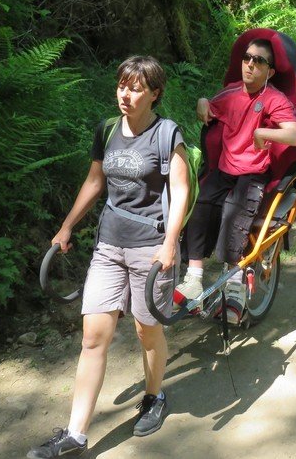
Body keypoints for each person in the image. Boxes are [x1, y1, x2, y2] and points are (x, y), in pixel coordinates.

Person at [28, 56, 189, 458]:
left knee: (146, 332)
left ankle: (154, 396)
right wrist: (67, 226)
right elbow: (95, 180)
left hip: (151, 249)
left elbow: (181, 189)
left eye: (135, 88)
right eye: (122, 85)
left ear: (155, 94)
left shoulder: (167, 134)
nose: (126, 94)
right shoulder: (108, 129)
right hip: (108, 245)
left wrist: (170, 242)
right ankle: (75, 434)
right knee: (93, 336)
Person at [176, 38, 296, 323]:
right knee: (201, 205)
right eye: (247, 58)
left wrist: (265, 134)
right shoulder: (231, 93)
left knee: (235, 214)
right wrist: (201, 103)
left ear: (270, 71)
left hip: (254, 172)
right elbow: (207, 104)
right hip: (224, 169)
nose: (250, 64)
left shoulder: (274, 99)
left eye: (259, 61)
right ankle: (194, 276)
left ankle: (233, 283)